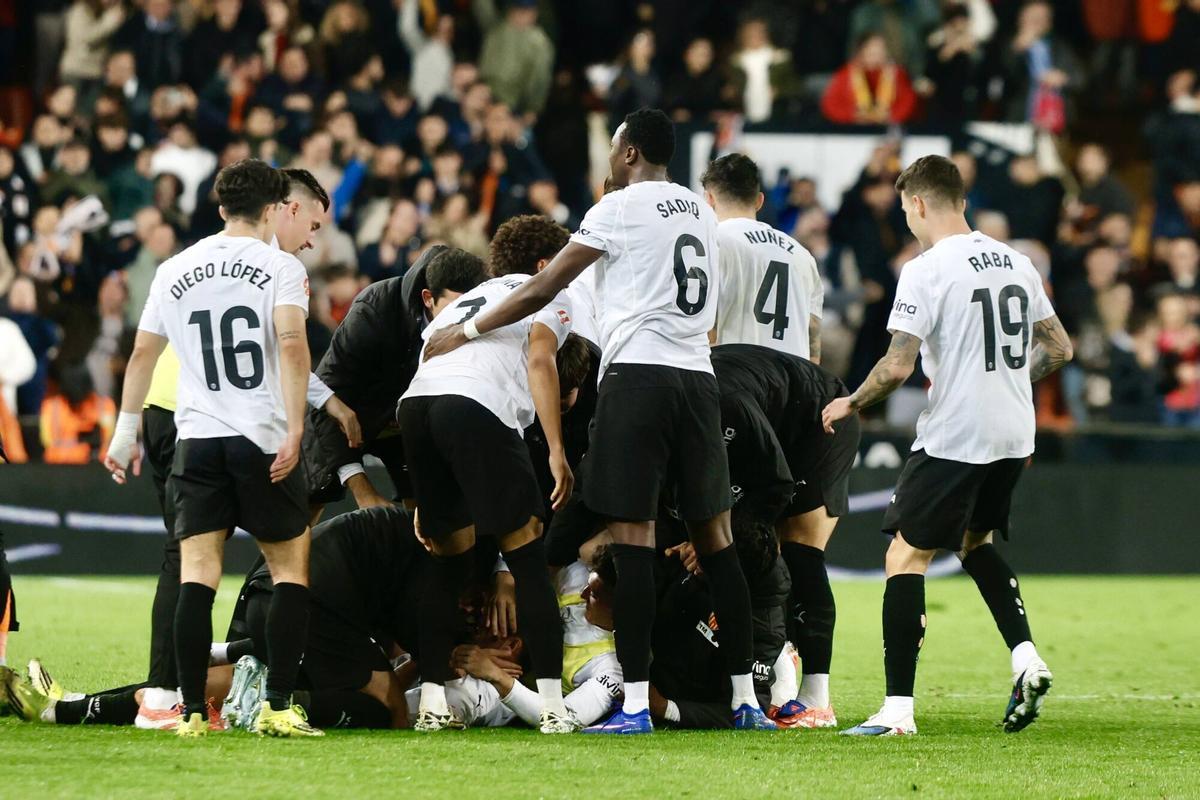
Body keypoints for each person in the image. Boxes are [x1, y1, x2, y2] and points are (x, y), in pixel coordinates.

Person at [424, 108, 775, 733]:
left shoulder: (615, 208)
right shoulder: (699, 210)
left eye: (615, 147)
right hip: (698, 378)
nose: (610, 159)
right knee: (717, 541)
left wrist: (468, 329)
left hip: (638, 378)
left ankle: (636, 705)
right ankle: (747, 698)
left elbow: (541, 288)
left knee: (633, 541)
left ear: (632, 152)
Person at [821, 155, 1073, 736]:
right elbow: (1060, 348)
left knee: (903, 557)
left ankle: (897, 712)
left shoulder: (925, 269)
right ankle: (1026, 658)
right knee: (973, 542)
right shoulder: (1019, 262)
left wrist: (850, 402)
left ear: (917, 203)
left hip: (958, 432)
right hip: (1014, 432)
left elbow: (896, 366)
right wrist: (1009, 382)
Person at [132, 168, 363, 726]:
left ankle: (185, 709)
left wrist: (122, 432)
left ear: (220, 208)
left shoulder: (175, 267)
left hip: (195, 436)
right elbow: (290, 344)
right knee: (289, 573)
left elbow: (141, 352)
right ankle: (278, 708)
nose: (309, 236)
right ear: (272, 208)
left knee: (194, 574)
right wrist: (293, 428)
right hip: (260, 438)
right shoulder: (280, 269)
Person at [399, 248, 577, 734]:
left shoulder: (465, 300)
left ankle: (433, 699)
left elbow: (429, 365)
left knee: (448, 560)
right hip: (477, 405)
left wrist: (428, 496)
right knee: (526, 555)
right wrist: (556, 449)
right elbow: (541, 359)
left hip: (415, 406)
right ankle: (553, 706)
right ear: (547, 267)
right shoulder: (556, 293)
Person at [711, 343, 860, 728]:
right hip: (777, 423)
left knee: (800, 550)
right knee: (749, 544)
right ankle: (781, 654)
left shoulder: (721, 400)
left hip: (822, 416)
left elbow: (774, 479)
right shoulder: (695, 393)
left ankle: (816, 699)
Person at [303, 245, 488, 516]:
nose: (464, 317)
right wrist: (361, 488)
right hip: (349, 415)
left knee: (432, 520)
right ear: (427, 298)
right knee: (303, 521)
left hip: (409, 423)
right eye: (456, 306)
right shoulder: (373, 311)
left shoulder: (480, 319)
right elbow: (328, 398)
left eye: (472, 306)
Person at [703, 153, 824, 363]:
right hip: (791, 384)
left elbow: (706, 329)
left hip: (737, 379)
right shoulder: (802, 255)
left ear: (709, 198)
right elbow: (813, 349)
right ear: (759, 201)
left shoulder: (713, 242)